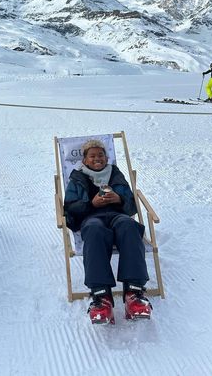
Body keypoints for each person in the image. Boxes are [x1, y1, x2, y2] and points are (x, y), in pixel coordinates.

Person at [64, 139, 151, 325]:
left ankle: (134, 293)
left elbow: (131, 205)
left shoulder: (116, 175)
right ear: (85, 160)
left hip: (117, 216)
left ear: (106, 157)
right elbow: (70, 209)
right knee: (95, 231)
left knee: (129, 227)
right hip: (92, 218)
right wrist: (91, 204)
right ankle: (101, 297)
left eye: (101, 155)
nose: (97, 158)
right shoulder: (77, 178)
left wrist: (119, 199)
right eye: (92, 156)